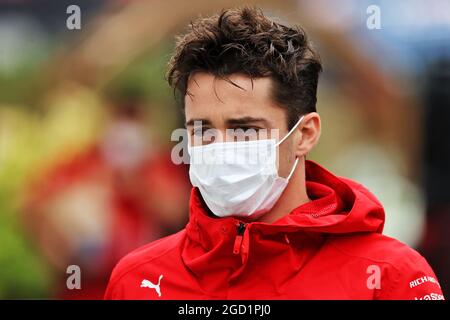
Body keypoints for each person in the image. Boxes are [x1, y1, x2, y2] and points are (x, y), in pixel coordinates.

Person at [104, 6, 444, 300]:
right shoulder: (138, 280)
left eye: (246, 129)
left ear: (305, 134)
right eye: (202, 130)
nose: (220, 146)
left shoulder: (391, 276)